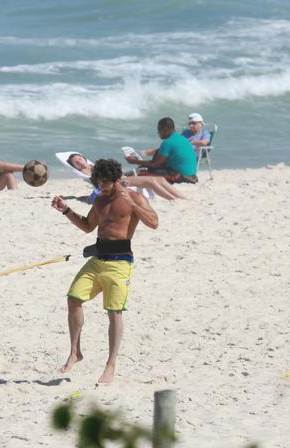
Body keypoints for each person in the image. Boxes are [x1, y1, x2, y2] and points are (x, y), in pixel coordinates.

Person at [51, 159, 158, 384]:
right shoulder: (100, 199)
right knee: (73, 299)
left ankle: (110, 364)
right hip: (97, 259)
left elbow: (154, 222)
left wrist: (135, 205)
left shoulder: (135, 198)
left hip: (120, 263)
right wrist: (66, 210)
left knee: (114, 312)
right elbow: (88, 226)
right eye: (97, 183)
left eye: (103, 183)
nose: (100, 188)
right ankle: (75, 352)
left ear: (115, 179)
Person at [66, 152, 185, 201]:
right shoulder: (86, 173)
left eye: (80, 159)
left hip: (120, 178)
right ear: (75, 167)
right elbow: (100, 183)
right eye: (76, 163)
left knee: (160, 179)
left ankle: (181, 197)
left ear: (84, 158)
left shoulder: (94, 165)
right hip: (117, 182)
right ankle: (173, 199)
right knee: (151, 181)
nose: (80, 162)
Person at [124, 117, 198, 184]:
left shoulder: (168, 142)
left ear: (165, 129)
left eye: (159, 130)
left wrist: (135, 161)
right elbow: (159, 161)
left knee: (142, 172)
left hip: (182, 175)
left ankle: (125, 179)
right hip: (190, 173)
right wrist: (140, 162)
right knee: (147, 164)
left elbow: (155, 164)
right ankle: (127, 175)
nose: (158, 133)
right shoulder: (181, 138)